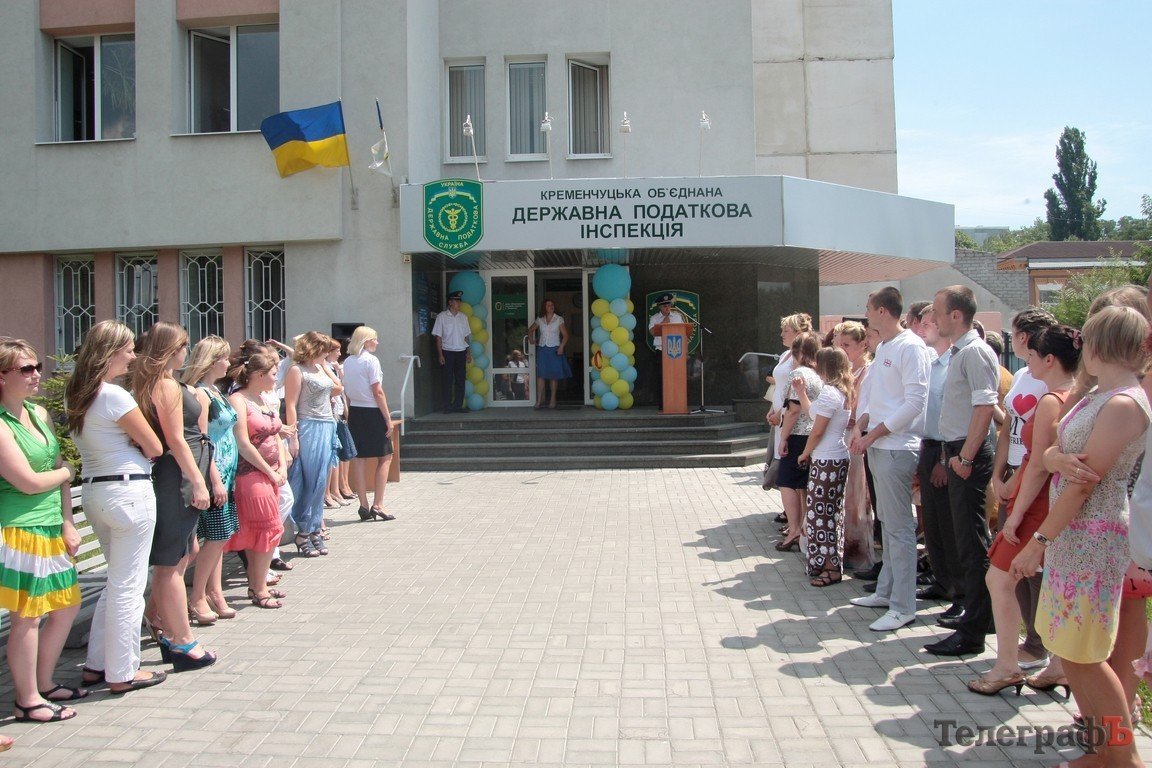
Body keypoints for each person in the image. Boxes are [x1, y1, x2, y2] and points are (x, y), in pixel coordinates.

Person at [1009, 306, 1151, 767]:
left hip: (1092, 536)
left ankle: (1122, 756)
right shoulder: (1099, 395)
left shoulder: (1125, 403)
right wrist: (1052, 460)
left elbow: (1086, 480)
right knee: (1069, 648)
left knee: (1086, 652)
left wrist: (1038, 543)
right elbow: (1053, 451)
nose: (1081, 349)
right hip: (1074, 534)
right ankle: (1099, 749)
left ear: (1102, 344)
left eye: (1087, 340)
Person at [968, 325, 1078, 695]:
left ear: (1050, 359)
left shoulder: (1051, 400)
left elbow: (1038, 464)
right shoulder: (1077, 394)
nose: (1027, 363)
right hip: (1051, 500)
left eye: (1031, 357)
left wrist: (1013, 515)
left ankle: (1006, 666)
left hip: (1036, 504)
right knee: (1050, 583)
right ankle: (1058, 665)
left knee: (999, 578)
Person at [66, 321, 168, 694]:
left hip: (97, 492)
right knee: (129, 584)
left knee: (117, 580)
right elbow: (154, 446)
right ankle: (123, 671)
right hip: (128, 493)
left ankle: (97, 663)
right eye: (127, 349)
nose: (133, 355)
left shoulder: (76, 393)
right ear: (109, 353)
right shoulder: (113, 395)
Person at [0, 339, 83, 723]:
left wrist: (68, 522)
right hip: (21, 527)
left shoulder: (38, 413)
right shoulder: (2, 423)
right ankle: (27, 699)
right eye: (25, 370)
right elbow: (30, 481)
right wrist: (68, 472)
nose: (36, 375)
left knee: (67, 605)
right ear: (2, 377)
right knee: (27, 617)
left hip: (51, 524)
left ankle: (43, 683)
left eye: (36, 367)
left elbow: (57, 464)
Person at [133, 322, 218, 672]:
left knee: (187, 550)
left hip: (181, 473)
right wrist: (198, 481)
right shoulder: (165, 384)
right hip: (176, 476)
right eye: (184, 344)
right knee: (170, 561)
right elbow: (176, 439)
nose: (188, 350)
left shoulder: (167, 382)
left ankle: (166, 627)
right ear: (171, 348)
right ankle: (182, 641)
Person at [848, 287, 931, 633]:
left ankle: (903, 606)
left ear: (882, 311)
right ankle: (886, 592)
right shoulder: (884, 347)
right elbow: (874, 396)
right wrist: (863, 424)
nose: (865, 314)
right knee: (888, 522)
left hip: (898, 447)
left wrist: (875, 433)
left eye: (868, 308)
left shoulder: (912, 347)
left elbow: (914, 402)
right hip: (880, 445)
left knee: (898, 530)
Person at [924, 285, 999, 657]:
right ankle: (977, 617)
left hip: (968, 455)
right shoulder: (959, 352)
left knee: (972, 543)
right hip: (955, 452)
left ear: (956, 315)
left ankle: (974, 632)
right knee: (963, 539)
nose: (932, 319)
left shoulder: (974, 352)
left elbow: (985, 408)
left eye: (937, 311)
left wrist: (966, 458)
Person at [991, 307, 1056, 668]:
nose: (1011, 340)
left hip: (1034, 475)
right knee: (1008, 561)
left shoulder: (1050, 380)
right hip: (1012, 470)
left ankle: (1038, 641)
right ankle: (1026, 635)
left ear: (1025, 338)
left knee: (1031, 564)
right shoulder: (1021, 376)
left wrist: (1016, 479)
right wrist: (998, 474)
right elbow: (1009, 428)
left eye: (1014, 333)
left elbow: (1040, 445)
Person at [182, 336, 239, 625]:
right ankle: (197, 596)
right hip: (213, 472)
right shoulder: (201, 394)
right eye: (225, 357)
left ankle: (215, 591)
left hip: (228, 473)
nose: (229, 363)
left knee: (221, 538)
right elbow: (203, 440)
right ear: (212, 360)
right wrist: (214, 480)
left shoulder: (215, 390)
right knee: (215, 537)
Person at [227, 351, 289, 608]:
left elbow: (276, 434)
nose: (276, 379)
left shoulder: (262, 398)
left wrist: (282, 465)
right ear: (259, 375)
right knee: (266, 529)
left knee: (264, 531)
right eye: (274, 374)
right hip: (250, 474)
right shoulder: (238, 400)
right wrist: (269, 470)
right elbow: (243, 442)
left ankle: (257, 584)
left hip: (273, 473)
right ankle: (259, 588)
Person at [913, 306, 961, 621]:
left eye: (930, 322)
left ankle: (962, 593)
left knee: (951, 525)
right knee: (932, 522)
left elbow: (956, 415)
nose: (924, 328)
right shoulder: (932, 363)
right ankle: (942, 581)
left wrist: (944, 458)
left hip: (946, 448)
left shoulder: (956, 362)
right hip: (927, 445)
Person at [794, 347, 854, 586]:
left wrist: (805, 453)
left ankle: (830, 566)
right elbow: (813, 414)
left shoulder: (830, 392)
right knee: (828, 513)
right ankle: (826, 562)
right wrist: (801, 392)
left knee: (822, 515)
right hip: (833, 457)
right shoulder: (839, 391)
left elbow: (817, 430)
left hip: (827, 458)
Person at [285, 332, 343, 556]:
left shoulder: (320, 368)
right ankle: (304, 529)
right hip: (308, 426)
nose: (327, 352)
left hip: (327, 425)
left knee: (321, 481)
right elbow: (291, 404)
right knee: (310, 479)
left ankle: (314, 528)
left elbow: (338, 387)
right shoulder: (296, 370)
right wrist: (293, 435)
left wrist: (326, 367)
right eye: (322, 348)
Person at [832, 321, 874, 570]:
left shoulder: (866, 372)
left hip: (855, 434)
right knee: (843, 495)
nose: (843, 349)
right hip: (842, 434)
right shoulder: (844, 370)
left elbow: (861, 406)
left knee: (857, 497)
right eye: (839, 345)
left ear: (862, 345)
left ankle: (859, 552)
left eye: (847, 345)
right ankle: (844, 547)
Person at [342, 326, 396, 522]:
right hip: (372, 411)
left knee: (359, 459)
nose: (377, 342)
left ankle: (363, 504)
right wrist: (387, 419)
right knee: (386, 455)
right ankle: (378, 503)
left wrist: (349, 413)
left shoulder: (347, 362)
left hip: (356, 410)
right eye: (374, 339)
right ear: (366, 341)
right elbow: (377, 391)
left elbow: (346, 390)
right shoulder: (371, 360)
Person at [775, 332, 821, 552]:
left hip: (798, 434)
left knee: (786, 482)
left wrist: (783, 438)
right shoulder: (817, 373)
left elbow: (793, 411)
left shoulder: (799, 373)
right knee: (803, 486)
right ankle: (803, 529)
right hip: (812, 435)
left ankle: (793, 529)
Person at [432, 291, 472, 413]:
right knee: (447, 380)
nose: (459, 303)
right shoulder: (442, 317)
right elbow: (438, 337)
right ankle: (447, 406)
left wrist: (468, 352)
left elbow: (466, 337)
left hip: (461, 351)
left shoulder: (463, 317)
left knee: (460, 379)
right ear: (450, 302)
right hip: (447, 352)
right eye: (456, 300)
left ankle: (458, 405)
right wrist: (440, 355)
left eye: (459, 301)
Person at [528, 299, 572, 409]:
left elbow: (566, 335)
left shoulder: (559, 319)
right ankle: (538, 401)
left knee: (553, 376)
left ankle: (553, 399)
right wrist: (531, 340)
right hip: (543, 349)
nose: (551, 306)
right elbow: (530, 330)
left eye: (552, 304)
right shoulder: (540, 319)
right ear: (544, 307)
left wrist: (561, 347)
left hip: (554, 349)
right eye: (548, 305)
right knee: (541, 375)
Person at [648, 293, 686, 410]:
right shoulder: (654, 318)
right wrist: (664, 320)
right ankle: (663, 405)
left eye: (668, 305)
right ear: (660, 306)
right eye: (664, 306)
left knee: (677, 377)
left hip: (676, 353)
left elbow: (683, 333)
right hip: (661, 351)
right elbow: (653, 332)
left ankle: (678, 403)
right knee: (662, 378)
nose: (667, 307)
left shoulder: (677, 317)